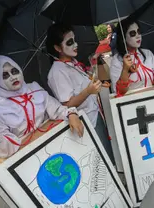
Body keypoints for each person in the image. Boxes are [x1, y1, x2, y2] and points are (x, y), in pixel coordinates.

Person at [0, 55, 84, 157]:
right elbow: (7, 148)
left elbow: (57, 110)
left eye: (14, 71)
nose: (13, 77)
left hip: (56, 143)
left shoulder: (34, 88)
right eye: (4, 75)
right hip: (28, 157)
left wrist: (71, 114)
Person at [46, 23, 115, 164]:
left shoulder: (74, 63)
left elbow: (89, 83)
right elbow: (67, 104)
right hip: (86, 123)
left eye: (75, 40)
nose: (75, 45)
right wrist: (88, 91)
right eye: (70, 42)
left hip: (95, 116)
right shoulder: (57, 72)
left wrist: (97, 77)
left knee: (108, 156)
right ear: (58, 48)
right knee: (101, 162)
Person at [109, 17, 154, 97]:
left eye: (139, 32)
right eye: (133, 33)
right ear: (123, 37)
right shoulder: (117, 60)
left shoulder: (148, 54)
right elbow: (119, 92)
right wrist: (125, 70)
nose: (138, 36)